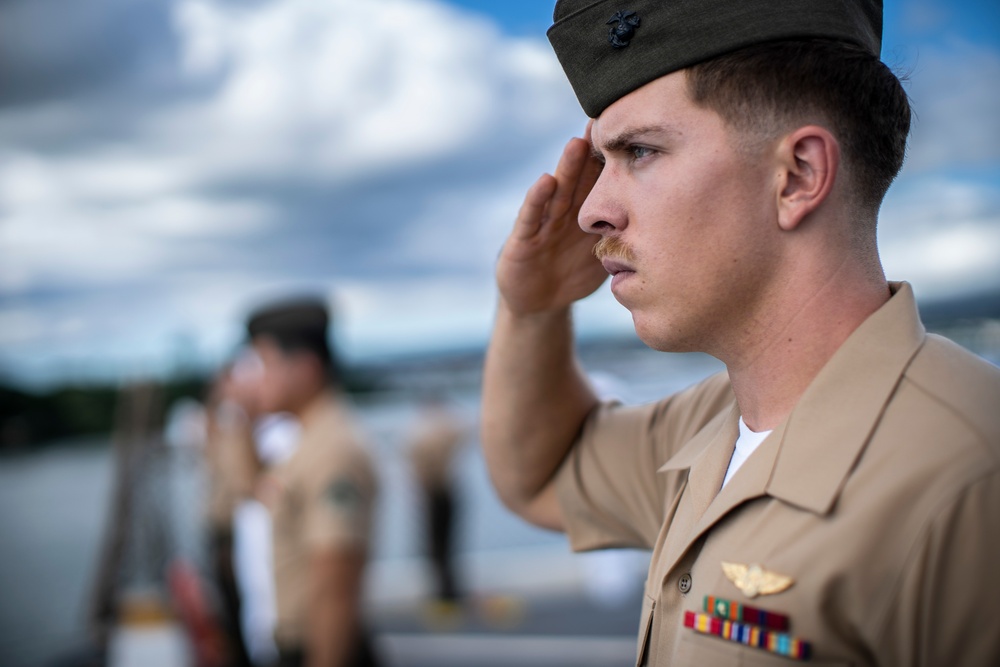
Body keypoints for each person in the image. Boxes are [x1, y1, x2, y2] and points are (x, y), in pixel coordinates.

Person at [481, 1, 1000, 665]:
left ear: (798, 176)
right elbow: (540, 475)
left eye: (639, 151)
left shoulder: (968, 473)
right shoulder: (709, 426)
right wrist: (533, 306)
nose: (590, 211)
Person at [246, 297, 381, 667]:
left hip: (323, 648)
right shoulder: (309, 441)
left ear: (304, 369)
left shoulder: (332, 449)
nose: (255, 378)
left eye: (264, 364)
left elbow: (335, 587)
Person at [405, 394, 468, 610]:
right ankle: (447, 591)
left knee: (437, 546)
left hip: (433, 493)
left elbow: (413, 462)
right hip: (445, 491)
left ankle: (444, 593)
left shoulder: (420, 432)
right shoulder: (445, 428)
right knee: (446, 545)